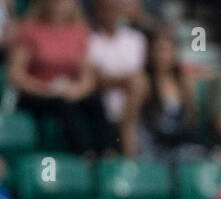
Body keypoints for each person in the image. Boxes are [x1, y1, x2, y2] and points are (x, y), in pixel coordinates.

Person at [8, 0, 112, 155]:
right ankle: (84, 154)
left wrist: (77, 90)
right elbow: (16, 74)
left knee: (95, 102)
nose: (59, 4)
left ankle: (109, 153)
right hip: (37, 94)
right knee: (63, 105)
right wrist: (46, 89)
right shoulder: (30, 30)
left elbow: (88, 76)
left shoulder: (79, 32)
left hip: (67, 91)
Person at [86, 0, 146, 157]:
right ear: (97, 12)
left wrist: (123, 82)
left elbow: (139, 78)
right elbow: (93, 80)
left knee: (138, 84)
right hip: (100, 106)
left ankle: (128, 141)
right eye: (105, 10)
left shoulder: (136, 39)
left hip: (133, 108)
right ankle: (128, 150)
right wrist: (125, 81)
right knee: (135, 83)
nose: (110, 14)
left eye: (114, 9)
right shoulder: (89, 39)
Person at [138, 23, 202, 161]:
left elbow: (190, 122)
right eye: (159, 50)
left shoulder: (183, 83)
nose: (163, 56)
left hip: (177, 146)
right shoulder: (142, 82)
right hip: (151, 149)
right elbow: (130, 125)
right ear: (150, 52)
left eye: (168, 50)